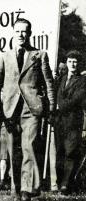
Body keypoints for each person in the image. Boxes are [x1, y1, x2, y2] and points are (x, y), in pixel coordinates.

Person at [0, 18, 55, 201]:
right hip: (10, 111)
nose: (21, 35)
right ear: (13, 33)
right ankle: (16, 190)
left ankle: (27, 189)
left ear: (30, 33)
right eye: (17, 31)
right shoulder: (5, 56)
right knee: (12, 151)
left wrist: (51, 108)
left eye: (24, 31)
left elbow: (49, 83)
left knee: (29, 146)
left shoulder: (39, 55)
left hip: (32, 110)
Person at [56, 50, 86, 194]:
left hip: (74, 121)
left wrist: (60, 105)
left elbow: (77, 99)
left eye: (75, 61)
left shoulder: (82, 80)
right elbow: (55, 95)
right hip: (59, 122)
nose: (72, 64)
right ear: (66, 63)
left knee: (71, 152)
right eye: (70, 61)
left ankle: (66, 184)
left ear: (78, 63)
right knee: (60, 152)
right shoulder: (60, 79)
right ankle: (60, 181)